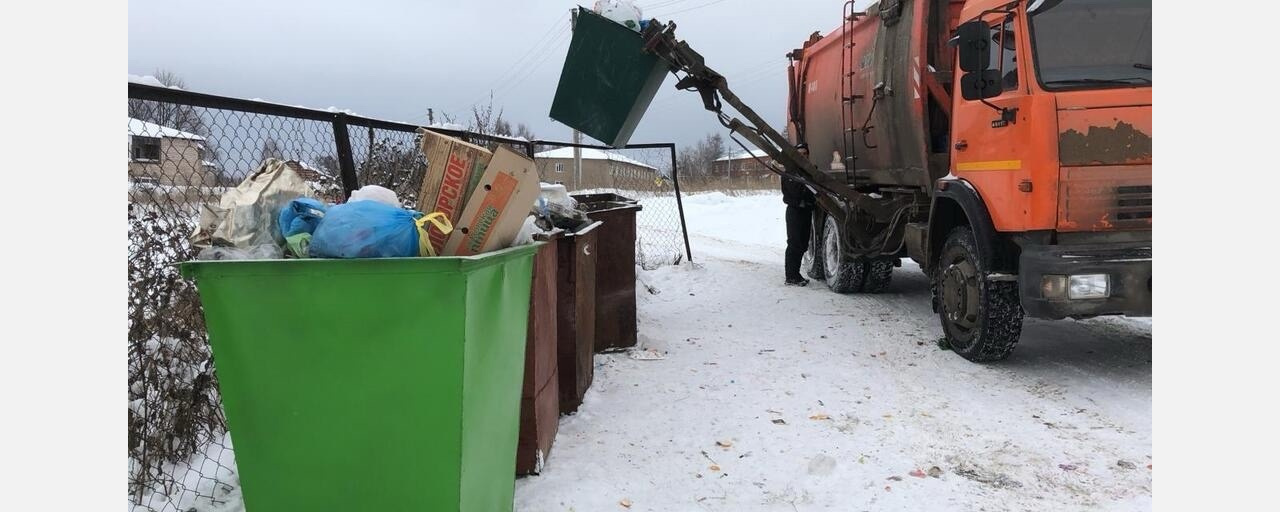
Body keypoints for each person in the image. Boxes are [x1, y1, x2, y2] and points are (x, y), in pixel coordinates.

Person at [783, 143, 816, 286]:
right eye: (800, 154)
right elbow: (793, 193)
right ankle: (791, 277)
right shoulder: (790, 173)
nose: (803, 157)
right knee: (794, 243)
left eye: (805, 154)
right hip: (795, 211)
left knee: (803, 243)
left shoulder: (812, 172)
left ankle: (795, 274)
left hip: (806, 211)